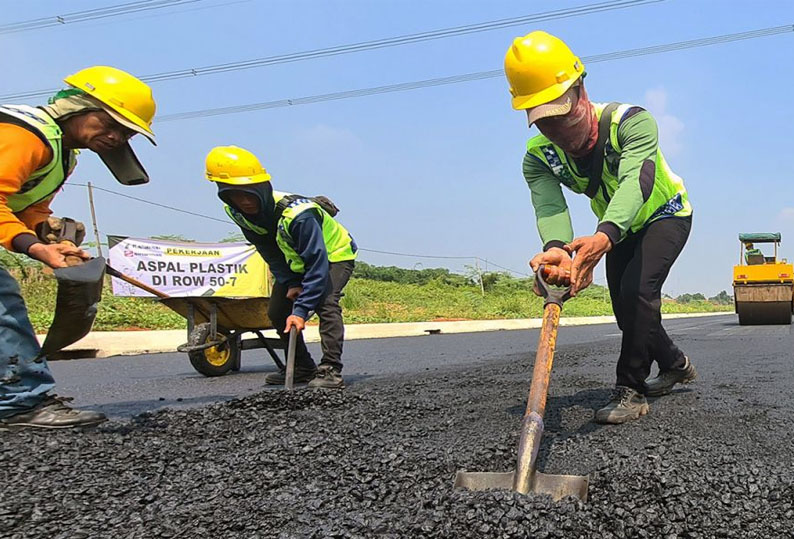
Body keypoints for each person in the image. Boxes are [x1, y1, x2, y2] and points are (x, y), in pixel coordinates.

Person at [504, 31, 696, 424]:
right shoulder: (539, 158)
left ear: (581, 90)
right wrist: (557, 247)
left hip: (665, 214)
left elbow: (635, 183)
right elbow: (549, 206)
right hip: (616, 229)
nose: (558, 132)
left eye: (562, 113)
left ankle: (631, 389)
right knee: (626, 311)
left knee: (638, 292)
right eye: (543, 122)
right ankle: (675, 364)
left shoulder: (632, 123)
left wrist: (604, 236)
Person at [0, 66, 157, 430]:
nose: (116, 137)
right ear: (77, 106)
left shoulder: (63, 153)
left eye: (126, 132)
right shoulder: (26, 135)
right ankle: (21, 402)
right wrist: (36, 249)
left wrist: (49, 232)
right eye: (109, 123)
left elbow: (24, 207)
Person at [205, 146, 357, 389]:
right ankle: (303, 368)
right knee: (277, 311)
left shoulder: (299, 214)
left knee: (326, 303)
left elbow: (317, 265)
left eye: (249, 194)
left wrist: (301, 309)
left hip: (333, 256)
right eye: (235, 195)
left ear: (262, 188)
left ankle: (330, 369)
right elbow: (267, 248)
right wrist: (291, 282)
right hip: (296, 262)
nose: (244, 202)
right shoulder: (238, 213)